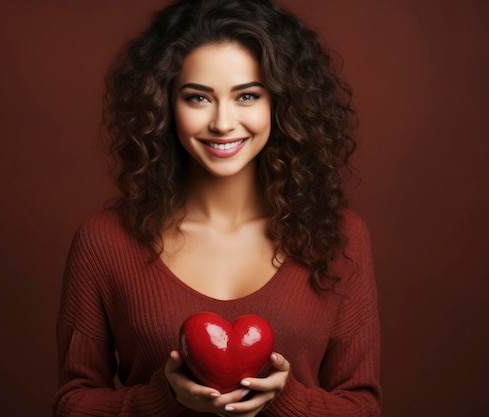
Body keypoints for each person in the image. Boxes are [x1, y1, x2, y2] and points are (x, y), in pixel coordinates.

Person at [53, 0, 381, 415]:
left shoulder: (341, 237)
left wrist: (286, 400)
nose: (223, 122)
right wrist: (164, 398)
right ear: (164, 106)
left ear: (280, 104)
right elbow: (73, 404)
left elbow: (362, 406)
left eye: (246, 96)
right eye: (198, 98)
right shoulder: (104, 241)